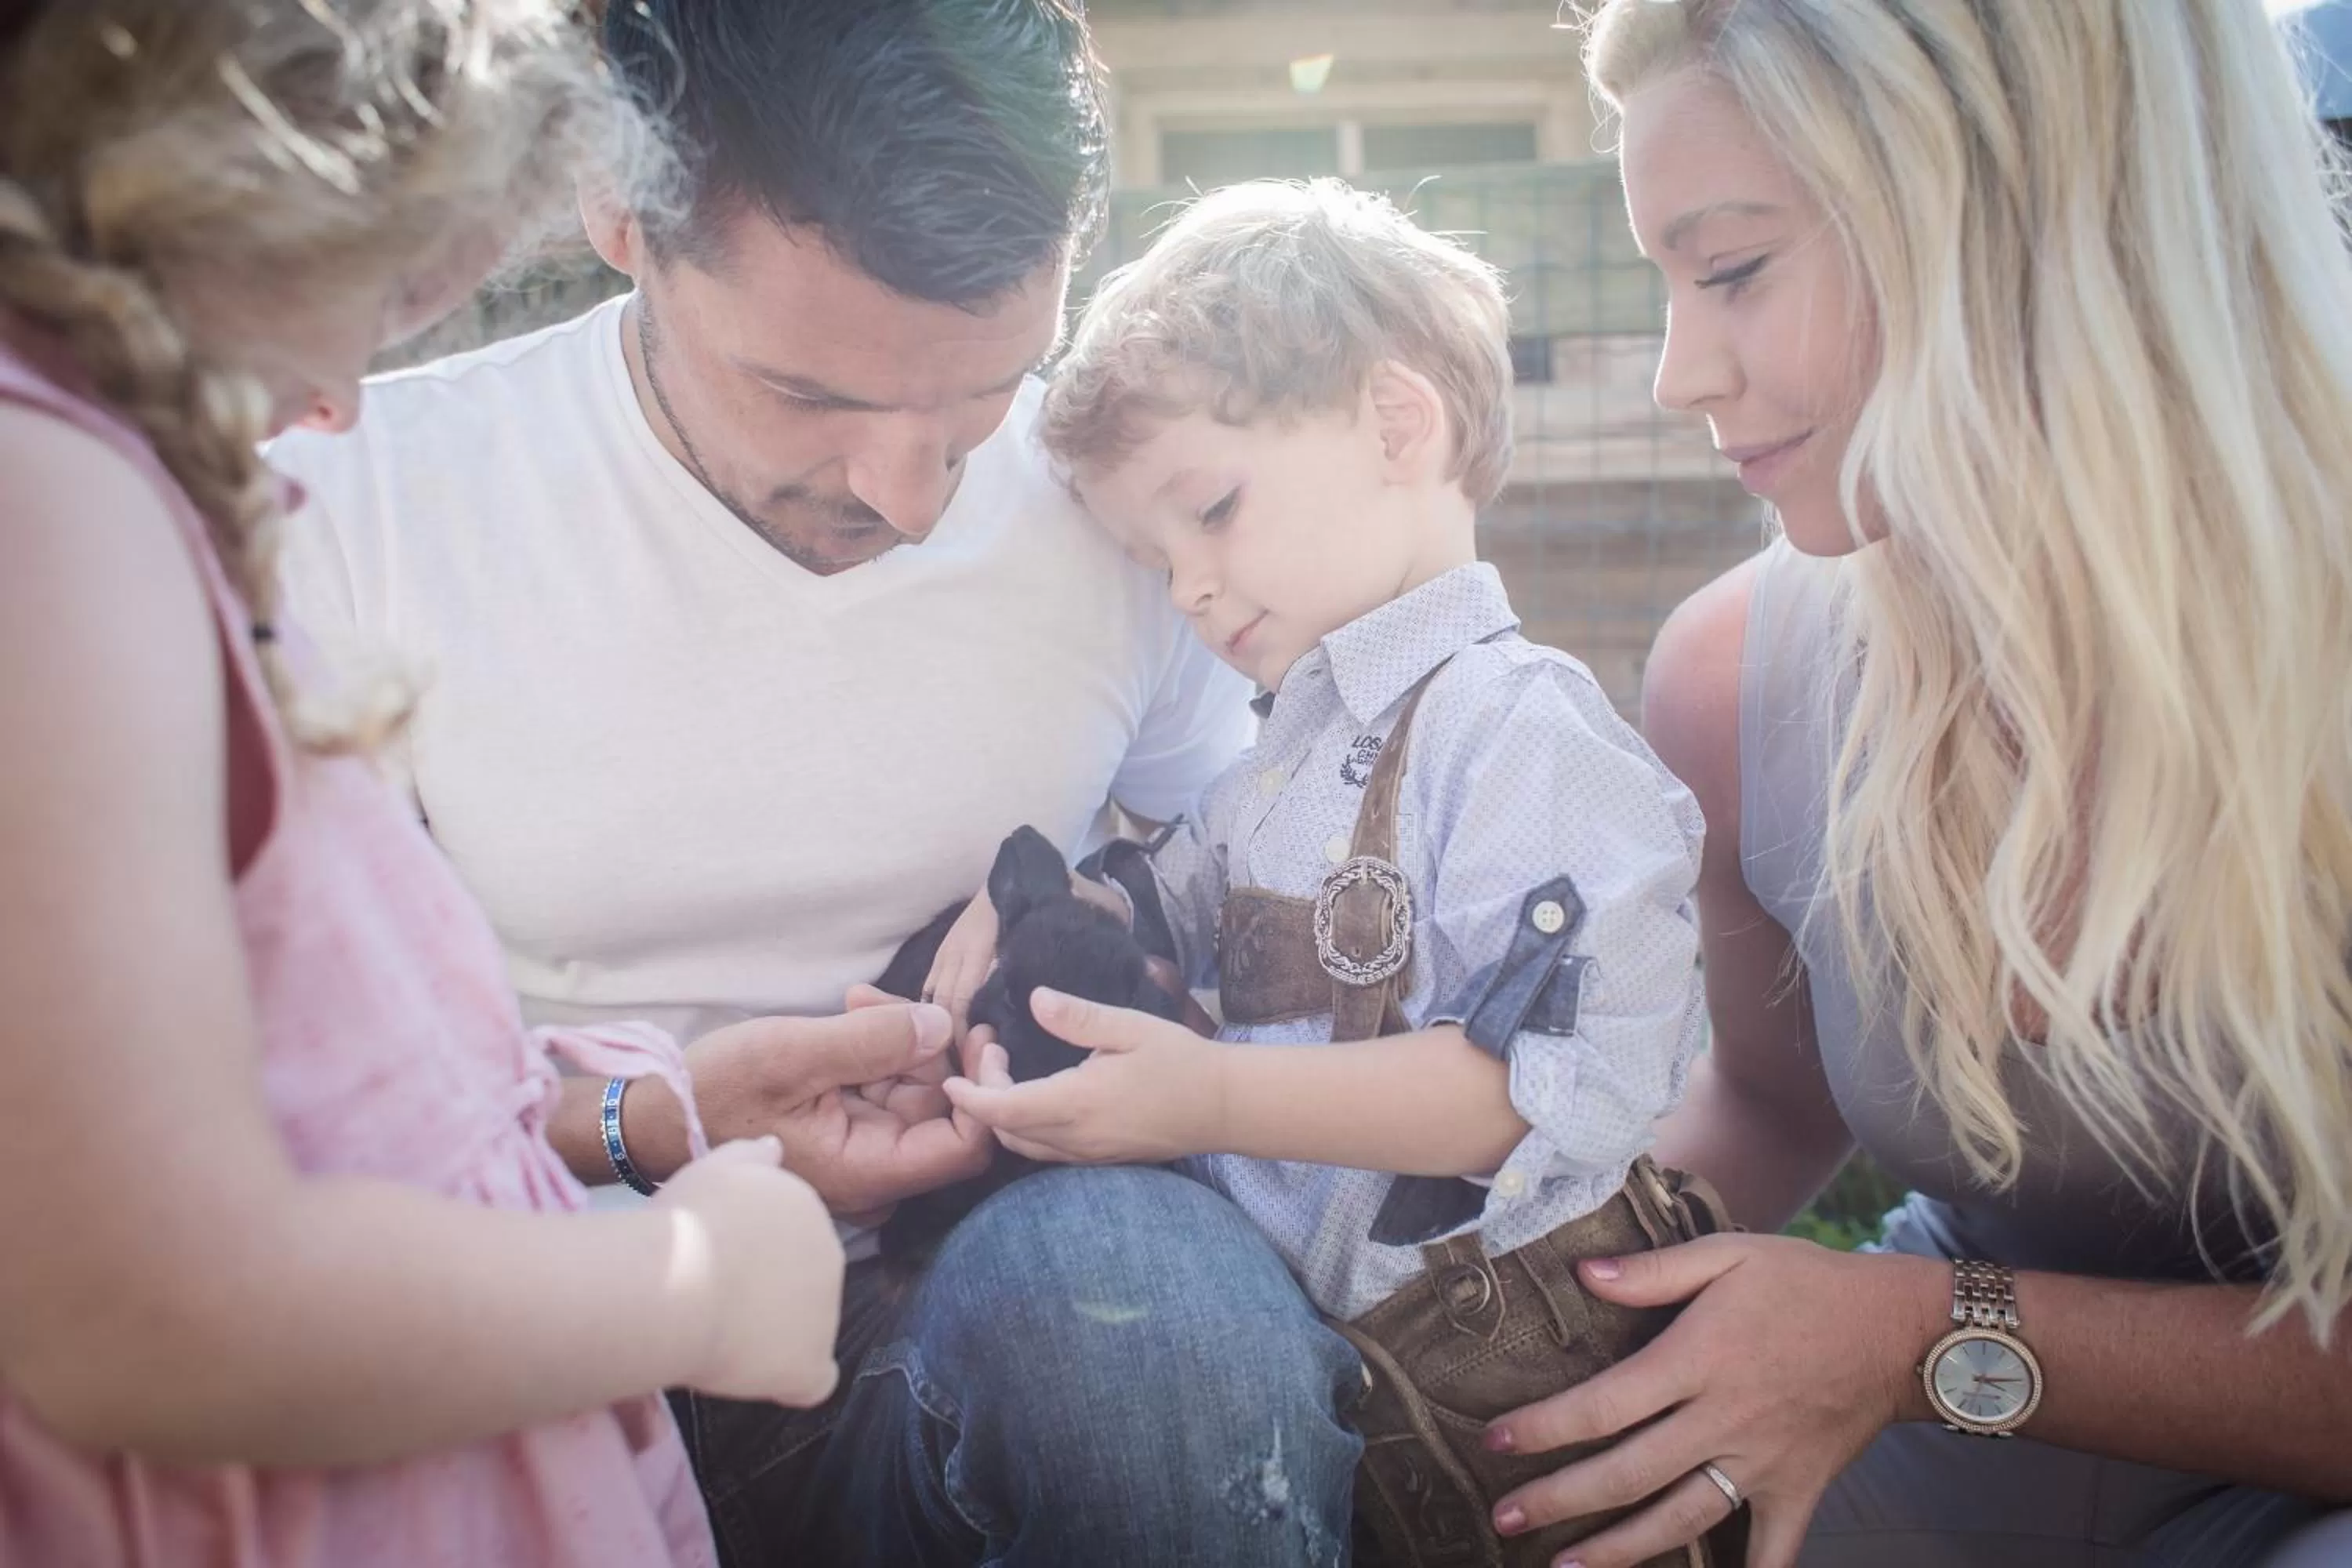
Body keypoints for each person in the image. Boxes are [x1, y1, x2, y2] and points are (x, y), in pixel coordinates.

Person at [266, 4, 1362, 1563]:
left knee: (1157, 1346)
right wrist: (661, 1123)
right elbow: (260, 1132)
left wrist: (1122, 903)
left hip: (982, 1272)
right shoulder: (363, 503)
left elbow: (1258, 848)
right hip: (547, 1312)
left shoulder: (1118, 488)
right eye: (810, 397)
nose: (910, 500)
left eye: (984, 396)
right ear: (618, 216)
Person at [1465, 3, 2352, 1566]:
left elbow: (1903, 1331)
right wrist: (1482, 1288)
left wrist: (1918, 1330)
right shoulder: (1738, 678)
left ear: (2014, 205)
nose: (1678, 372)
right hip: (1948, 1437)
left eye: (1733, 268)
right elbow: (1768, 1095)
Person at [0, 2, 852, 1565]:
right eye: (381, 287)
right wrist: (695, 1284)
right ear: (206, 161)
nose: (340, 398)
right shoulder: (42, 507)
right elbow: (153, 1306)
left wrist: (619, 1116)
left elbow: (282, 1082)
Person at [935, 176, 1715, 1564]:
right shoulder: (1279, 761)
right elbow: (1172, 905)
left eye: (1213, 511)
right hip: (1331, 1362)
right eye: (1148, 556)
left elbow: (1536, 1092)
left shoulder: (1521, 727)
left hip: (1521, 1388)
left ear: (1396, 425)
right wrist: (1056, 915)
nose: (1183, 587)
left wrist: (1212, 1095)